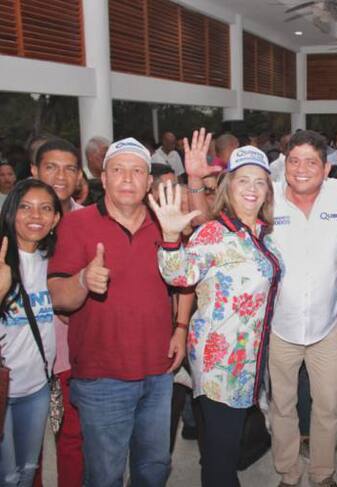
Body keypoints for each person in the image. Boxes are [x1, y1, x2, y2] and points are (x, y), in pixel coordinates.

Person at [47, 137, 184, 487]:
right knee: (104, 474)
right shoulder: (77, 224)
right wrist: (83, 279)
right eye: (118, 170)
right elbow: (58, 297)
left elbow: (185, 280)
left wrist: (181, 328)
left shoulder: (164, 223)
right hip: (101, 375)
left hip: (158, 370)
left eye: (137, 171)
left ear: (148, 181)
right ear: (103, 178)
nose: (127, 178)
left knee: (154, 467)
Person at [152, 145, 282, 487]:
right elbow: (180, 275)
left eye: (260, 181)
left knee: (218, 451)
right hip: (221, 365)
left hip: (246, 360)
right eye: (243, 180)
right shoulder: (215, 232)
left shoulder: (259, 232)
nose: (252, 188)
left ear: (268, 191)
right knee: (222, 459)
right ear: (228, 186)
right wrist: (170, 237)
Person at [269, 130, 337, 487]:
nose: (301, 169)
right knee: (282, 405)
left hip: (328, 326)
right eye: (294, 161)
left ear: (326, 168)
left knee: (328, 404)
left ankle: (322, 473)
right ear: (284, 164)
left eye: (311, 162)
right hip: (279, 325)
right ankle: (289, 472)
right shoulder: (268, 197)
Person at [0, 179, 62, 486]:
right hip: (2, 390)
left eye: (45, 208)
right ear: (11, 212)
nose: (35, 215)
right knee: (7, 476)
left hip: (36, 388)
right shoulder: (1, 261)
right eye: (25, 207)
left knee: (27, 470)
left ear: (56, 218)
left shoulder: (53, 262)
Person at [30, 137, 85, 487]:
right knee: (26, 444)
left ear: (79, 176)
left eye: (69, 169)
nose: (60, 176)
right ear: (34, 170)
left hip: (70, 353)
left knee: (72, 438)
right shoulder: (15, 222)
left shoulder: (90, 221)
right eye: (51, 167)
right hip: (23, 355)